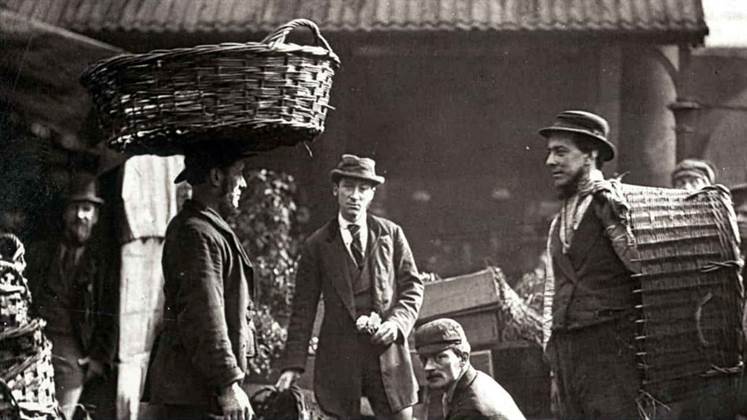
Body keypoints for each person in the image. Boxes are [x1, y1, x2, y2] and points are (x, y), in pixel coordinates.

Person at [276, 154, 424, 419]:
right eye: (348, 187)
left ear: (372, 194)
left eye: (363, 188)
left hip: (387, 354)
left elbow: (413, 287)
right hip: (340, 359)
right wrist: (293, 365)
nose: (355, 195)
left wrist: (397, 324)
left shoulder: (391, 234)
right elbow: (303, 309)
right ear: (336, 190)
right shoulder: (317, 245)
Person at [539, 110, 643, 419]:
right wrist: (552, 357)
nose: (550, 162)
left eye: (561, 151)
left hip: (609, 349)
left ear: (590, 154)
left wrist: (612, 216)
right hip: (567, 349)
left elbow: (641, 267)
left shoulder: (616, 203)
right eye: (549, 153)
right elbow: (551, 289)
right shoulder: (558, 220)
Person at [146, 144, 256, 420]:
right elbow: (205, 316)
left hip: (199, 391)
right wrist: (228, 384)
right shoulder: (197, 234)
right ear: (217, 177)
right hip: (194, 393)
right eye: (239, 173)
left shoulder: (207, 229)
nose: (243, 183)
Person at [25, 173, 117, 420]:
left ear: (95, 217)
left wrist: (98, 359)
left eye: (86, 209)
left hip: (74, 354)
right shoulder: (41, 254)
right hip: (34, 347)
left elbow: (110, 314)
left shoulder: (101, 264)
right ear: (65, 213)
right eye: (75, 208)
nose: (80, 216)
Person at [414, 318, 525, 420]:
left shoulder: (471, 410)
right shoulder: (478, 379)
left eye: (440, 357)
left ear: (463, 358)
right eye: (423, 359)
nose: (428, 367)